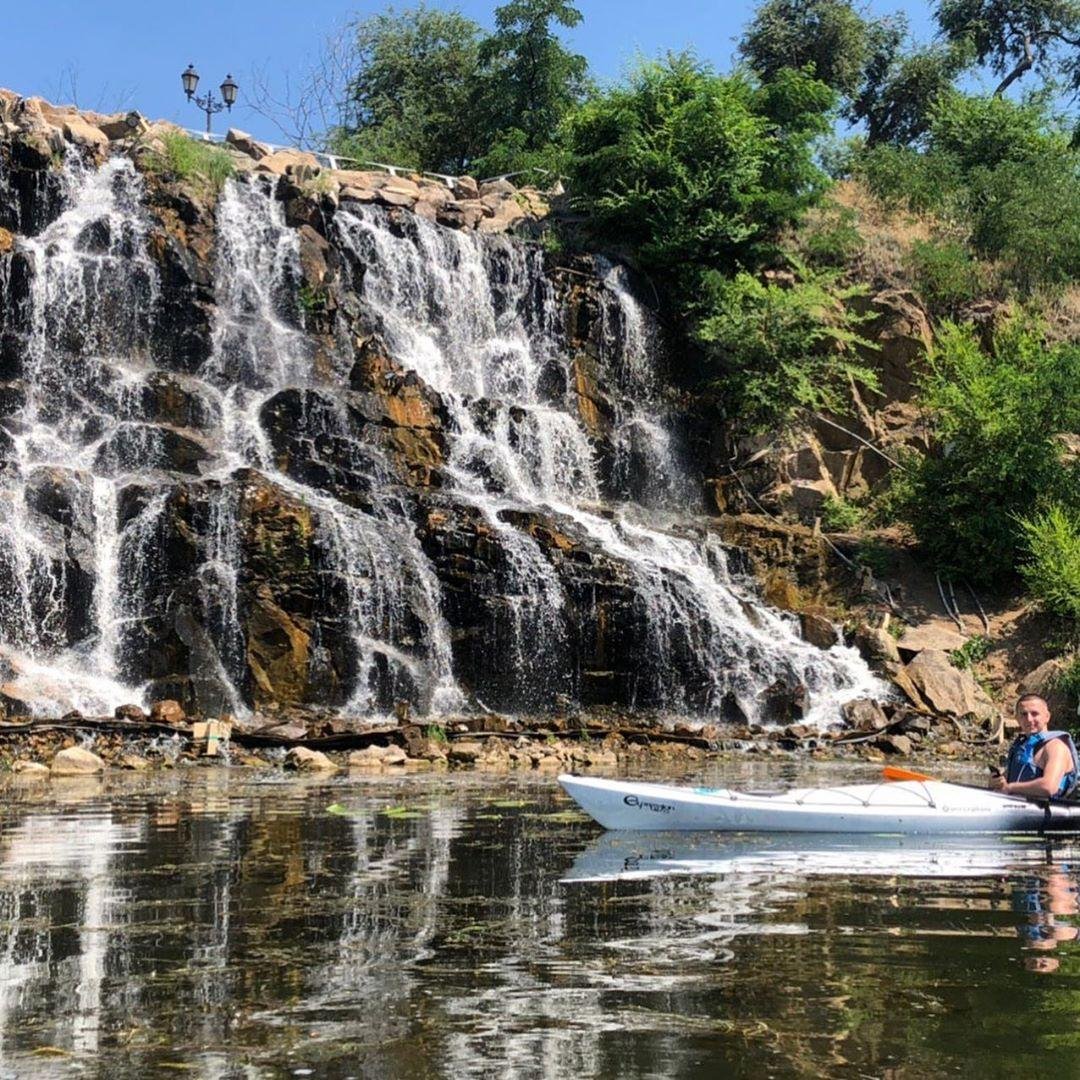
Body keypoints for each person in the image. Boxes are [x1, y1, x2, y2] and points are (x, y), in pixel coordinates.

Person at [989, 694, 1080, 799]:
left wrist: (1011, 788)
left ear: (1047, 717)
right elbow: (1006, 781)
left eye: (1035, 714)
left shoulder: (1056, 747)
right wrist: (995, 783)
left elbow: (1049, 787)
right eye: (1023, 714)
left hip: (1050, 811)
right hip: (1016, 807)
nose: (1029, 719)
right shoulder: (1021, 748)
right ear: (1017, 719)